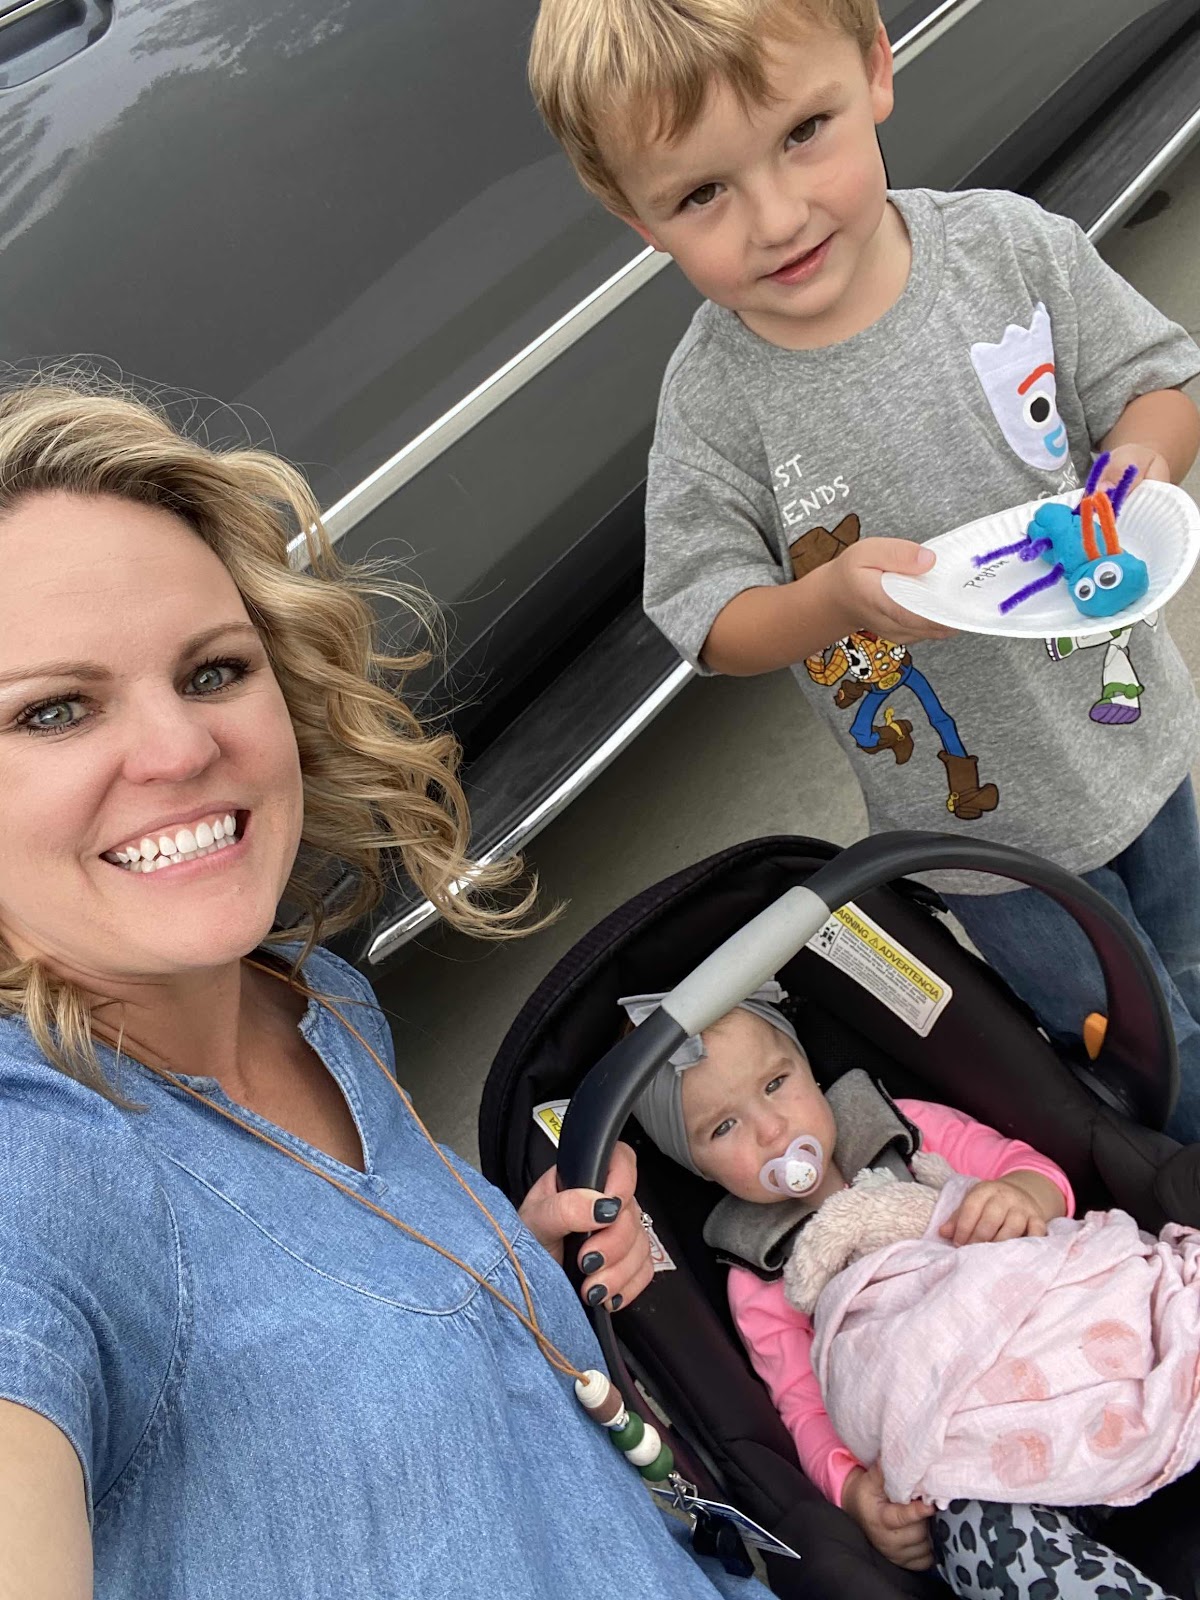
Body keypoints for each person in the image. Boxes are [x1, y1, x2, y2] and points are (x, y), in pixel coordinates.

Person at [0, 377, 764, 1600]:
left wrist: (496, 1264)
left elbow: (302, 1315)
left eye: (211, 671)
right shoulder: (36, 1166)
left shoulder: (320, 1001)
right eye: (52, 710)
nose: (183, 749)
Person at [526, 0, 1200, 1140]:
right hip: (981, 839)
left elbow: (1157, 385)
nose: (777, 216)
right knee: (1131, 1041)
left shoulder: (1005, 251)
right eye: (702, 193)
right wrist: (825, 602)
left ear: (877, 67)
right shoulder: (717, 405)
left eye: (804, 132)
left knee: (1186, 950)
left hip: (1135, 735)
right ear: (635, 217)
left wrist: (1137, 466)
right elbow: (709, 615)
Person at [620, 985, 1180, 1599]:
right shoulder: (758, 1270)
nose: (771, 1129)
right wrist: (853, 1491)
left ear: (806, 1065)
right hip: (981, 1453)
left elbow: (1035, 1172)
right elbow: (805, 1405)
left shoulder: (904, 1129)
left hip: (1080, 1351)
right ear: (696, 1165)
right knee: (964, 1533)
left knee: (1170, 1314)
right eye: (724, 1127)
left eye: (777, 1084)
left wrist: (1020, 1197)